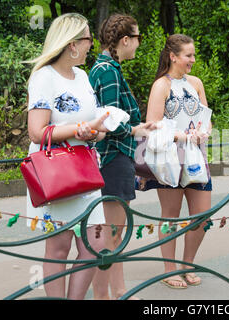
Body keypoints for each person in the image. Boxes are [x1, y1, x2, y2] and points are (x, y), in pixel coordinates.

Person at [24, 13, 111, 299]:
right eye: (89, 39)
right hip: (56, 173)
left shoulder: (83, 76)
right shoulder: (43, 77)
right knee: (59, 249)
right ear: (72, 44)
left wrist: (97, 132)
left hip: (86, 172)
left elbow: (91, 122)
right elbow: (37, 131)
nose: (92, 45)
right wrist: (79, 128)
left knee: (95, 246)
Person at [87, 13, 156, 300]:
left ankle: (116, 290)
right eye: (138, 38)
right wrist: (137, 128)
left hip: (109, 157)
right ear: (125, 40)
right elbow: (111, 123)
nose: (139, 44)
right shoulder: (109, 71)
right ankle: (108, 294)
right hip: (113, 158)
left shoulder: (102, 68)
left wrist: (136, 127)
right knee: (113, 232)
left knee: (112, 231)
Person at [143, 34, 212, 289]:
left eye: (193, 55)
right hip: (171, 158)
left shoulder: (196, 83)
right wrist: (182, 136)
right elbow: (152, 125)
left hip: (197, 156)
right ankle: (169, 270)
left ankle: (187, 264)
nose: (193, 60)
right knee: (170, 215)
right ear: (173, 56)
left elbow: (206, 118)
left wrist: (204, 132)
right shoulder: (162, 85)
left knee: (202, 216)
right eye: (188, 55)